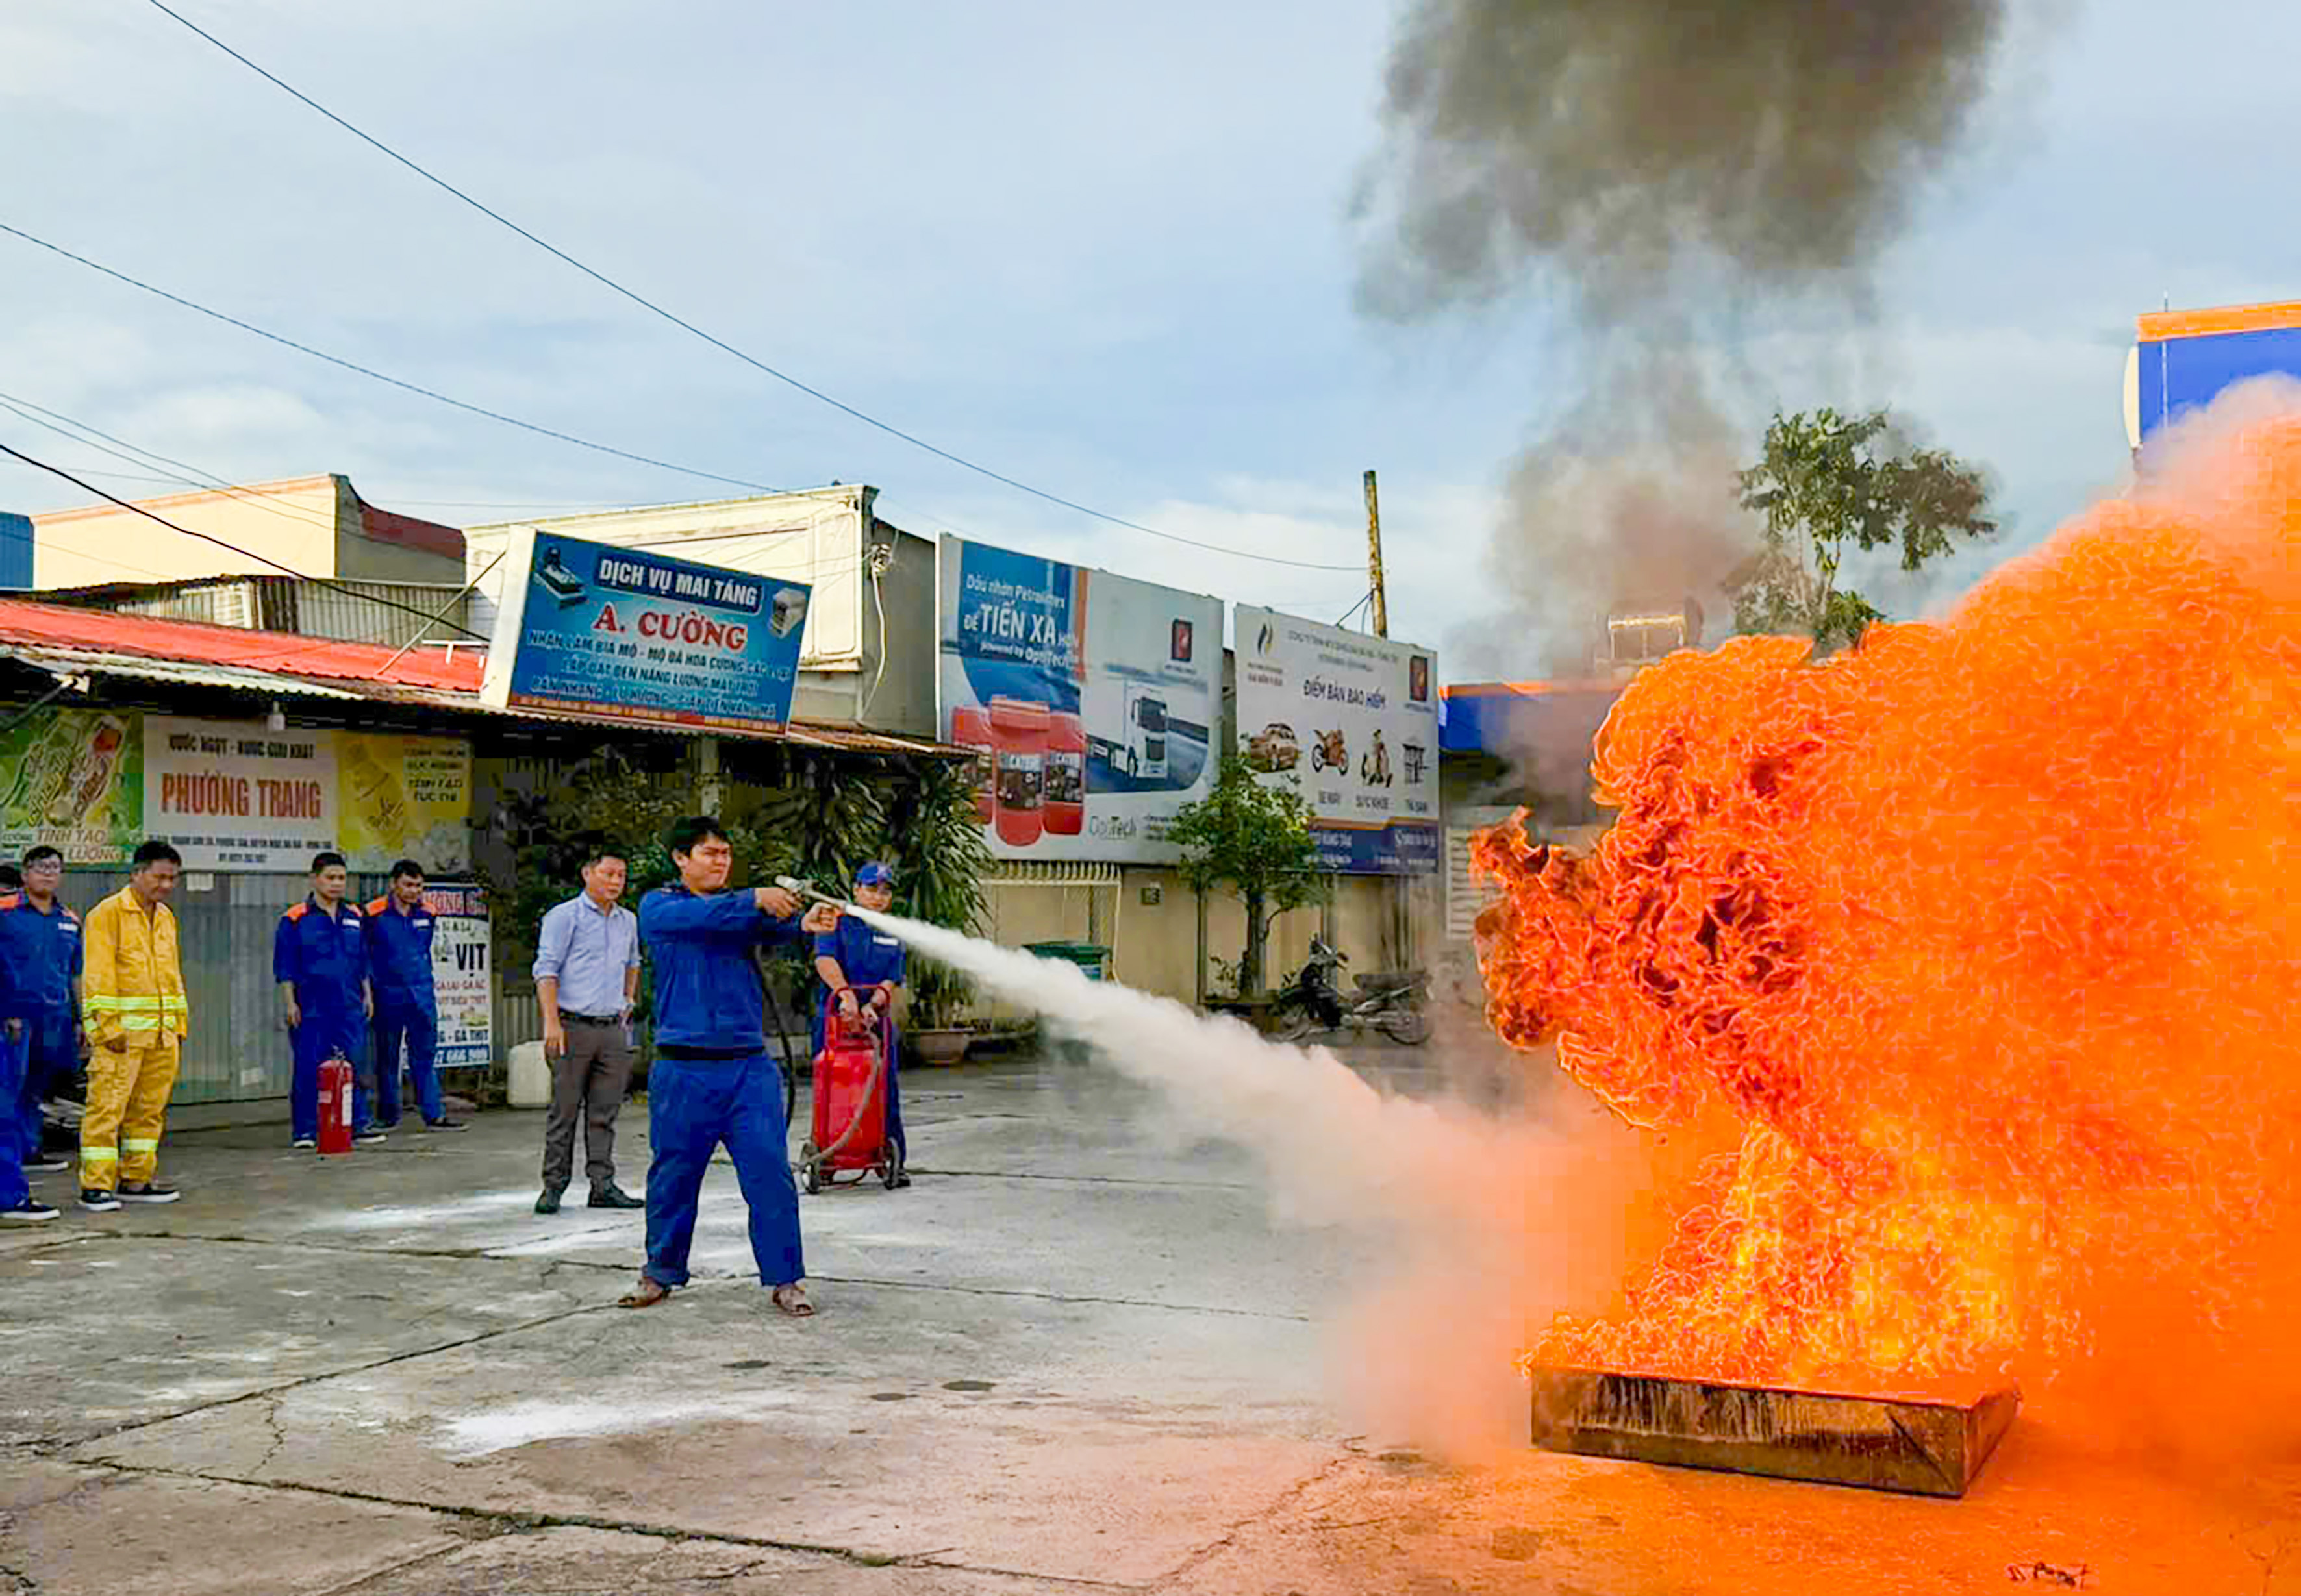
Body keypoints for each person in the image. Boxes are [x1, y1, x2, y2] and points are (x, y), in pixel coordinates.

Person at [619, 816, 836, 1315]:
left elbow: (768, 926)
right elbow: (715, 917)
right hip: (682, 1069)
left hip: (747, 1070)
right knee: (672, 1177)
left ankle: (786, 1280)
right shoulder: (658, 907)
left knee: (769, 1174)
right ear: (680, 859)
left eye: (726, 854)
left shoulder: (737, 910)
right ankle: (659, 1273)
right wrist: (756, 897)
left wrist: (804, 923)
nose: (721, 862)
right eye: (709, 853)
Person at [78, 840, 188, 1212]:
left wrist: (179, 1024)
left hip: (162, 1035)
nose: (166, 885)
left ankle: (136, 1179)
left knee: (149, 1112)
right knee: (107, 1110)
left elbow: (172, 975)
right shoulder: (107, 914)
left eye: (173, 878)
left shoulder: (167, 917)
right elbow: (98, 976)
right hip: (121, 1037)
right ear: (137, 873)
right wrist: (106, 1028)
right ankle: (96, 1186)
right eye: (159, 877)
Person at [532, 845, 642, 1214]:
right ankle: (554, 1186)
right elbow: (546, 971)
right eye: (608, 873)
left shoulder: (628, 920)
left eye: (621, 876)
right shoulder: (565, 917)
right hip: (572, 1026)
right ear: (587, 873)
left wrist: (628, 1001)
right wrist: (551, 1023)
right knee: (563, 1112)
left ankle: (602, 1185)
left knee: (605, 1113)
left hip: (612, 1028)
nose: (615, 882)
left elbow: (633, 962)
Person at [811, 860, 909, 1185]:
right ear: (855, 890)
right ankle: (827, 1154)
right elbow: (825, 959)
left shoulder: (895, 931)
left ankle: (888, 1157)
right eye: (871, 889)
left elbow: (892, 978)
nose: (879, 897)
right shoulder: (835, 920)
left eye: (885, 891)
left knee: (885, 1088)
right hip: (835, 1020)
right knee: (832, 1085)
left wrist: (873, 1005)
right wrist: (845, 996)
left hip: (876, 1023)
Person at [275, 851, 381, 1151]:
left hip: (349, 1005)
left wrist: (368, 995)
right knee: (309, 1068)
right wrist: (290, 1003)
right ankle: (305, 1131)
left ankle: (357, 1124)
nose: (336, 884)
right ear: (314, 879)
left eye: (341, 879)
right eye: (330, 878)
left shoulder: (355, 916)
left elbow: (362, 960)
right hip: (311, 1007)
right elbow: (285, 964)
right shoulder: (295, 919)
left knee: (355, 1066)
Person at [2, 849, 86, 1188]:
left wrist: (81, 1020)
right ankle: (10, 1163)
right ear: (25, 874)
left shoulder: (70, 919)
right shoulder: (6, 910)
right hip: (14, 1019)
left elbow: (75, 973)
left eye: (54, 868)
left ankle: (29, 1149)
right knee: (9, 1088)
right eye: (40, 868)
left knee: (37, 1088)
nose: (48, 874)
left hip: (54, 1018)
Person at [364, 860, 463, 1133]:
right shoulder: (372, 913)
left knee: (425, 1056)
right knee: (387, 1058)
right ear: (394, 883)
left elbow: (423, 950)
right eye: (408, 885)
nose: (413, 891)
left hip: (421, 994)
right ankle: (388, 1116)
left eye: (419, 886)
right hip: (387, 994)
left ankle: (434, 1115)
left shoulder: (429, 912)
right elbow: (365, 954)